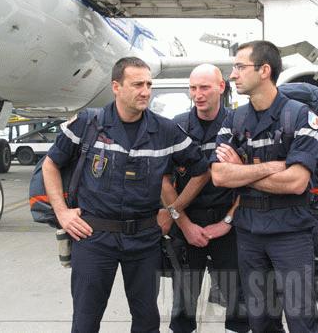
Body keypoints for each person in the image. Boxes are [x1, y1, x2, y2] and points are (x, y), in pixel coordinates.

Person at [42, 57, 209, 333]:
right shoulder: (87, 123)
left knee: (146, 321)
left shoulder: (165, 131)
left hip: (144, 239)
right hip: (93, 236)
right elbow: (51, 163)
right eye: (137, 84)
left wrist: (173, 210)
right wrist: (61, 211)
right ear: (116, 87)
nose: (145, 91)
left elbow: (201, 171)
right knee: (85, 321)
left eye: (148, 84)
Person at [210, 41, 318, 333]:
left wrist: (242, 169)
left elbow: (297, 182)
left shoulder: (299, 116)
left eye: (240, 67)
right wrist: (272, 168)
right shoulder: (234, 119)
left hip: (290, 234)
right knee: (260, 321)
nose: (232, 75)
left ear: (264, 71)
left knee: (301, 321)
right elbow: (220, 175)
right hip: (249, 234)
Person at [161, 64, 250, 333]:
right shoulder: (175, 126)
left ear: (221, 87)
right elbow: (163, 180)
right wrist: (185, 225)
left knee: (239, 303)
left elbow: (250, 180)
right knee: (183, 305)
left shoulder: (240, 125)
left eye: (204, 87)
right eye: (193, 88)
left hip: (229, 225)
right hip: (187, 222)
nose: (197, 94)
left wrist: (227, 222)